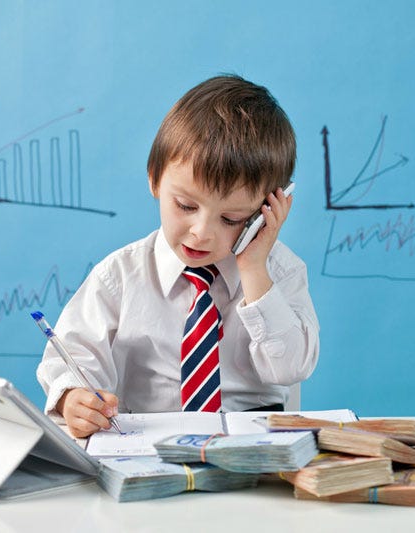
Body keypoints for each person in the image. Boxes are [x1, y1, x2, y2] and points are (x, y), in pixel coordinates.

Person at [37, 74, 319, 438]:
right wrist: (73, 398)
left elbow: (291, 368)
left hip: (249, 448)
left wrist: (254, 269)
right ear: (155, 179)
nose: (202, 231)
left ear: (267, 209)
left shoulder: (281, 272)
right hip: (145, 446)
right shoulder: (120, 275)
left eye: (231, 219)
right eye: (186, 205)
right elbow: (71, 357)